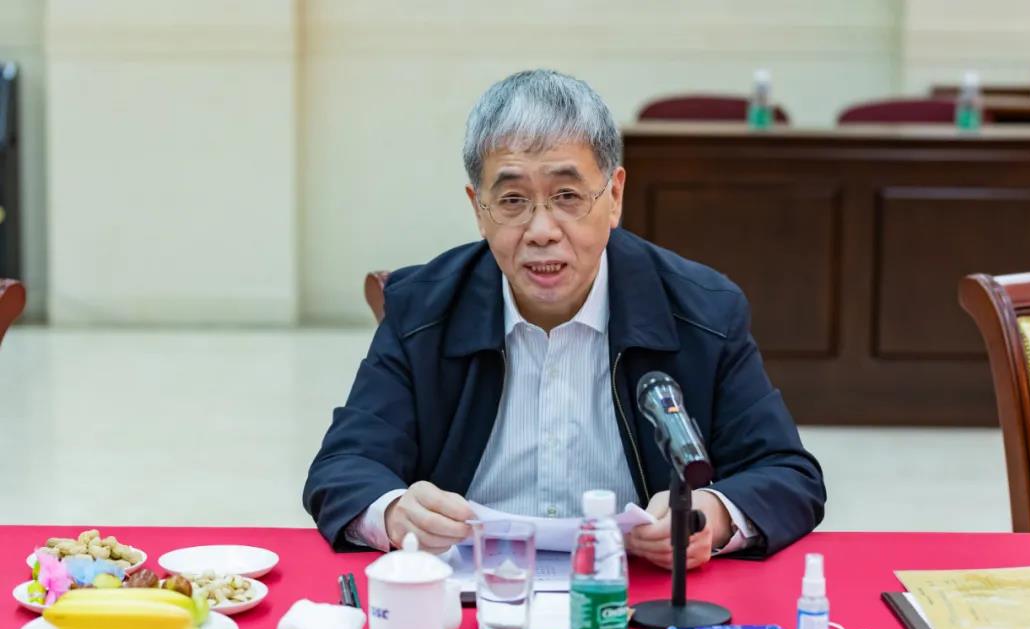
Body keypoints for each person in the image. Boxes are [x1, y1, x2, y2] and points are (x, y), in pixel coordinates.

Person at [304, 69, 825, 567]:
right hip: (474, 592)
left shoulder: (703, 311)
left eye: (568, 196)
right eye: (512, 200)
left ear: (614, 196)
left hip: (637, 592)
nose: (542, 231)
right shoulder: (421, 310)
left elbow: (786, 473)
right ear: (478, 208)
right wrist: (395, 512)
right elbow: (344, 466)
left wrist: (711, 515)